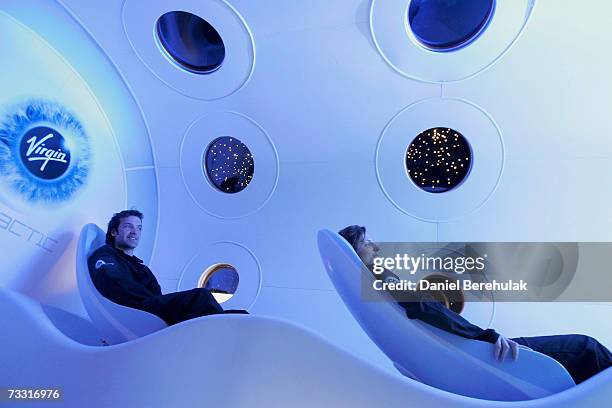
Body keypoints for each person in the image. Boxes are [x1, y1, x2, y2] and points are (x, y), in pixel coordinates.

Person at [338, 225, 612, 384]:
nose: (376, 247)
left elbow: (427, 311)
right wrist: (488, 337)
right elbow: (425, 308)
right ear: (353, 249)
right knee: (586, 349)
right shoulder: (384, 279)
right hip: (488, 351)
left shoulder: (375, 293)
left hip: (474, 352)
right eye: (367, 242)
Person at [88, 209, 247, 326]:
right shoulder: (106, 255)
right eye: (128, 226)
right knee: (200, 296)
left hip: (151, 308)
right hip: (135, 311)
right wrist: (154, 301)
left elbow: (158, 295)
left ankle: (227, 328)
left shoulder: (141, 268)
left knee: (240, 316)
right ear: (114, 232)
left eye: (139, 228)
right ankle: (223, 335)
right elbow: (113, 285)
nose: (135, 232)